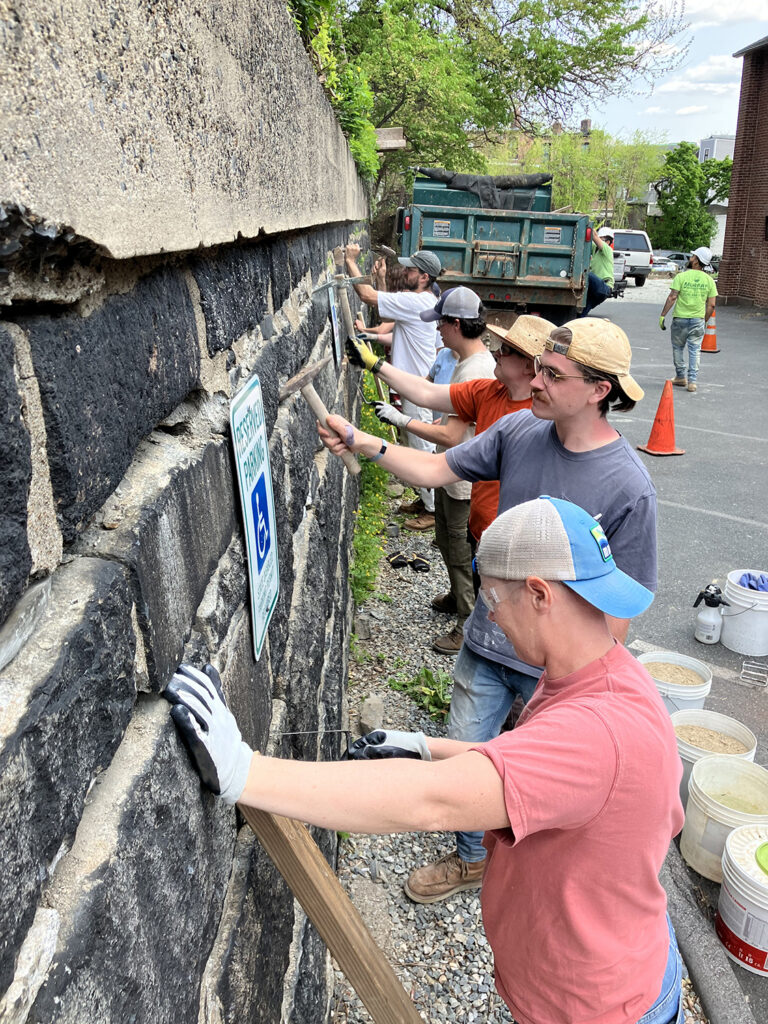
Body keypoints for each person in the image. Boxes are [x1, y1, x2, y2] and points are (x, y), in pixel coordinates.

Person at [163, 496, 685, 1024]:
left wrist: (247, 771)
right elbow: (530, 765)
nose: (492, 619)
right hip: (601, 968)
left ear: (539, 594)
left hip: (597, 1008)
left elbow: (430, 802)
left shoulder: (597, 734)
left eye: (492, 601)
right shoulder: (596, 674)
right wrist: (427, 747)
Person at [325, 317, 657, 902]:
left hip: (554, 677)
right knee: (466, 754)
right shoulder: (521, 431)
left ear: (599, 390)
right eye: (538, 370)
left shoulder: (629, 488)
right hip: (486, 640)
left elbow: (620, 614)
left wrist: (571, 688)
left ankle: (538, 877)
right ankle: (472, 860)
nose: (536, 383)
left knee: (540, 785)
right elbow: (434, 469)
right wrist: (362, 441)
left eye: (553, 375)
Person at [350, 313, 552, 651]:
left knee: (508, 625)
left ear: (530, 368)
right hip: (482, 525)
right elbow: (428, 393)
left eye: (506, 350)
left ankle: (481, 640)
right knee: (479, 583)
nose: (496, 353)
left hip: (515, 544)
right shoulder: (489, 391)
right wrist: (375, 365)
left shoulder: (542, 417)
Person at [372, 287, 496, 650]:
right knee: (445, 539)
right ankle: (460, 598)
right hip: (453, 475)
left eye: (441, 323)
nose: (437, 329)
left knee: (461, 551)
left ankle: (469, 623)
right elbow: (426, 393)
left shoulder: (476, 371)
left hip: (463, 481)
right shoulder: (462, 360)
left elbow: (452, 436)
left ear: (456, 324)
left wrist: (402, 421)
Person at [345, 242, 442, 528]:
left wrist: (350, 262)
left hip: (417, 386)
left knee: (422, 447)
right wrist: (383, 279)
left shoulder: (418, 302)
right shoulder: (421, 302)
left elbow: (366, 296)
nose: (406, 272)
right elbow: (389, 316)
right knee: (416, 443)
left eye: (411, 269)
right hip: (415, 383)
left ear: (424, 277)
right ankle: (425, 499)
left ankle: (433, 511)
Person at [658, 246, 717, 393]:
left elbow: (672, 297)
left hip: (680, 319)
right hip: (697, 320)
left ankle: (680, 377)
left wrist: (663, 315)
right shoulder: (709, 281)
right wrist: (703, 320)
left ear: (697, 261)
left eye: (693, 256)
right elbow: (712, 304)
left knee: (678, 347)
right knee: (695, 349)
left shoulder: (681, 277)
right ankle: (692, 381)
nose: (690, 258)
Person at [580, 226, 615, 317]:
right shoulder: (595, 250)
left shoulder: (607, 250)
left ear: (607, 241)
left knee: (586, 274)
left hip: (604, 287)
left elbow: (594, 235)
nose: (597, 241)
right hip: (595, 290)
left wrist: (585, 221)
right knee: (580, 315)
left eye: (601, 239)